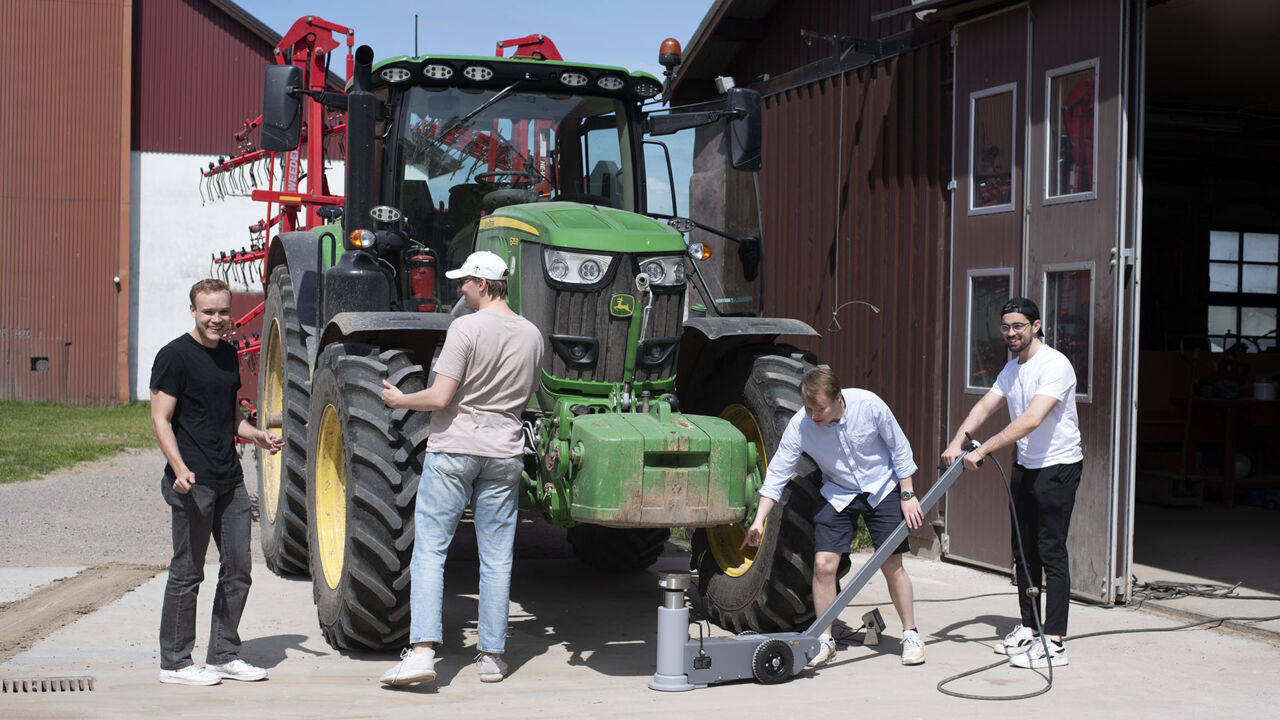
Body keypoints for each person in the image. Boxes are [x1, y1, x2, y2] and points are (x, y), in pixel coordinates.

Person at [378, 250, 544, 686]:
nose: (459, 288)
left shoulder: (465, 328)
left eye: (465, 282)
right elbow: (523, 400)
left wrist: (399, 399)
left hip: (455, 450)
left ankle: (421, 654)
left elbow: (438, 398)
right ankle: (491, 656)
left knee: (431, 551)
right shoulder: (531, 334)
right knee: (496, 558)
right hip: (505, 452)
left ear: (484, 285)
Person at [741, 367, 926, 667]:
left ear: (838, 398)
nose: (814, 416)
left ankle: (911, 634)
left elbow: (899, 447)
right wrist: (759, 519)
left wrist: (907, 494)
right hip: (839, 492)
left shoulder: (869, 405)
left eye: (820, 409)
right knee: (824, 566)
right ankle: (825, 639)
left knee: (892, 565)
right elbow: (777, 473)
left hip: (881, 487)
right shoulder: (801, 425)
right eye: (809, 408)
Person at [150, 278, 284, 686]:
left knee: (239, 569)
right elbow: (160, 419)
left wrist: (255, 434)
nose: (217, 319)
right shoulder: (174, 356)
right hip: (193, 482)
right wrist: (178, 468)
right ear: (193, 310)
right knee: (188, 572)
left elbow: (228, 418)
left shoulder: (228, 354)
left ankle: (224, 654)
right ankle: (174, 662)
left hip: (230, 478)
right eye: (208, 311)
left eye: (223, 312)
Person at [942, 296, 1082, 670]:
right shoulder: (1011, 368)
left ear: (1036, 326)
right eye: (1006, 327)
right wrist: (958, 440)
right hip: (1026, 465)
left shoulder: (1056, 365)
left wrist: (982, 449)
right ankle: (1029, 627)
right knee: (1022, 550)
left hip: (1058, 466)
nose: (1010, 333)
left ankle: (1054, 640)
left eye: (1018, 326)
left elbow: (1031, 419)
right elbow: (986, 406)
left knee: (1050, 550)